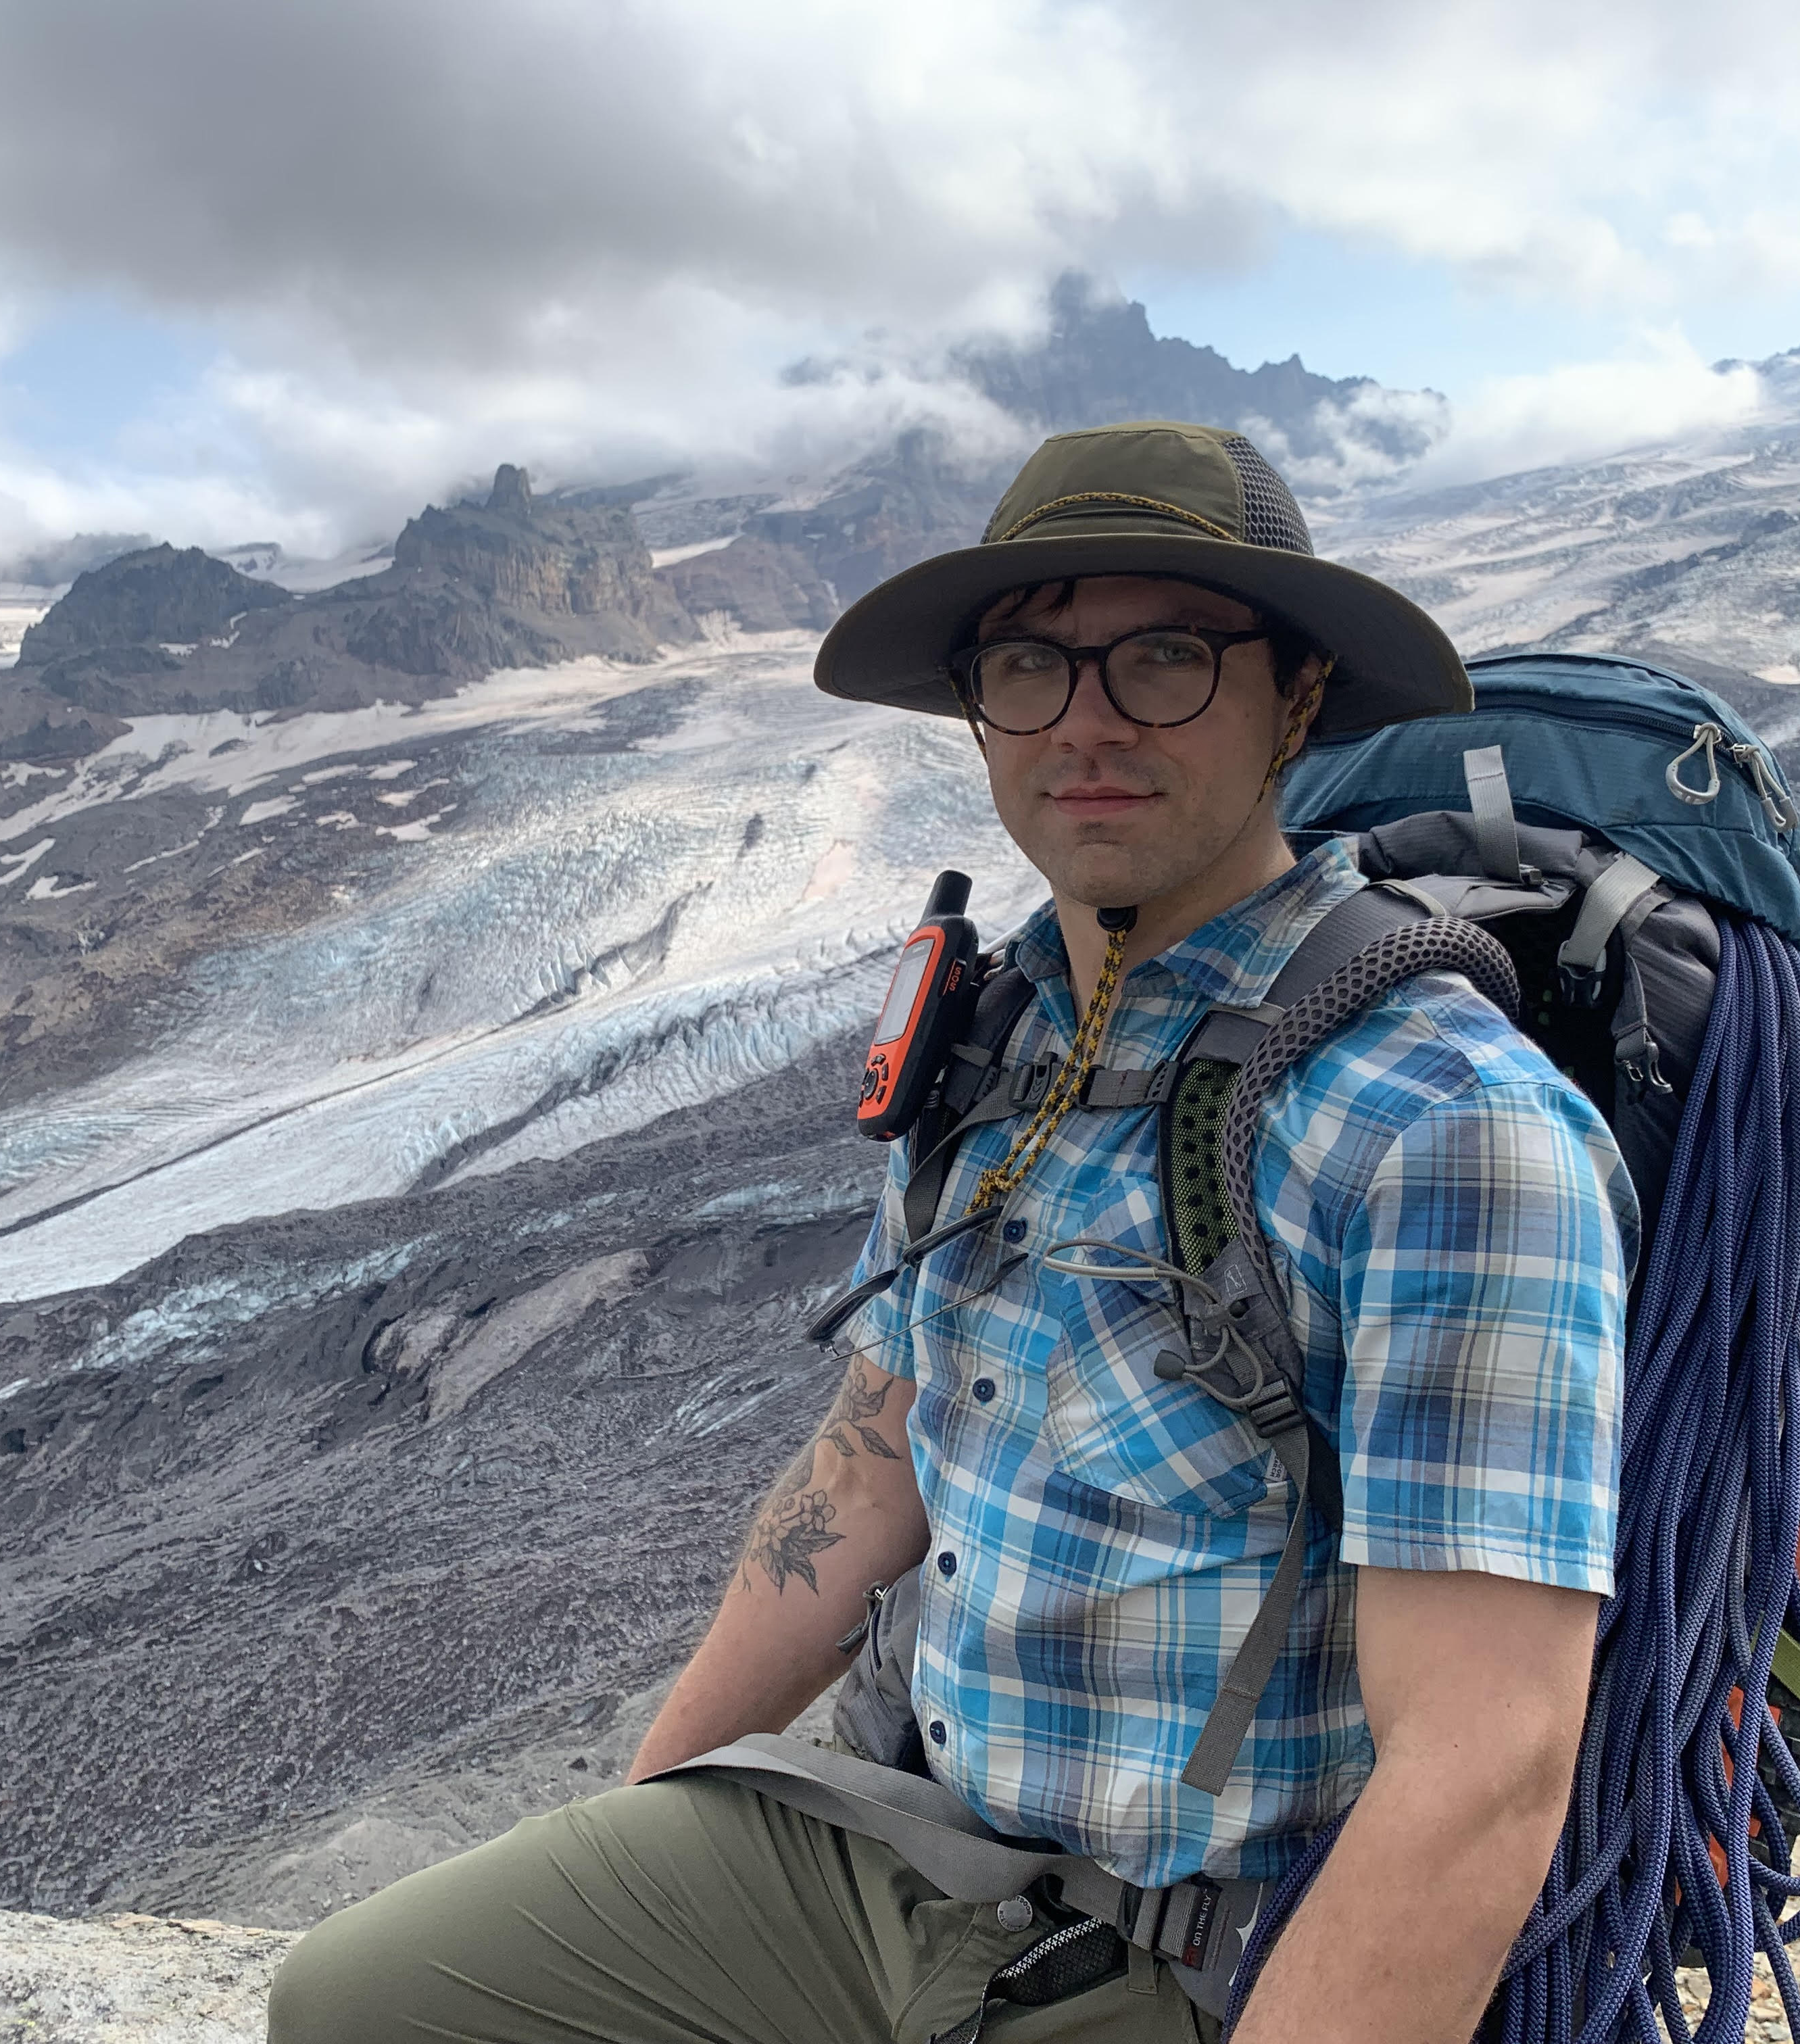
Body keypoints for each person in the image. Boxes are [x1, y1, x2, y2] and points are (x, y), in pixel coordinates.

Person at [269, 420, 1636, 2044]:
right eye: (1030, 668)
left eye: (1169, 660)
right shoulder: (1001, 1050)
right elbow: (869, 1464)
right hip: (908, 1856)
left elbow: (1485, 1763)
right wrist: (639, 1824)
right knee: (361, 2008)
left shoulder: (1441, 1123)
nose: (1088, 724)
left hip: (1181, 1960)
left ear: (1302, 697)